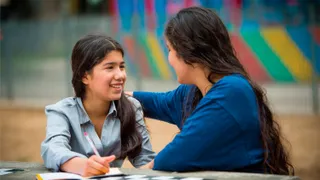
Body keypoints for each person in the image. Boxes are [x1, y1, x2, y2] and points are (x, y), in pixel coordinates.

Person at [127, 7, 294, 175]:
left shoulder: (231, 92)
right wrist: (113, 97)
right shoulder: (194, 92)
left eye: (170, 49)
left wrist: (142, 169)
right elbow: (158, 102)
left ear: (187, 52)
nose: (168, 58)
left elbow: (174, 157)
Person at [41, 34, 156, 177]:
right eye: (110, 67)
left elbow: (145, 161)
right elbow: (52, 149)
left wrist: (167, 159)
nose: (120, 75)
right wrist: (81, 165)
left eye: (121, 66)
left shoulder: (132, 107)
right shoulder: (61, 112)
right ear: (84, 76)